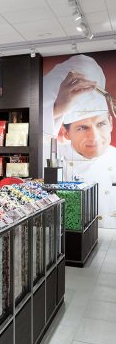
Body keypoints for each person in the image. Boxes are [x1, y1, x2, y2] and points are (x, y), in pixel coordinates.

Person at [43, 54, 116, 227]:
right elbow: (34, 138)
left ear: (111, 123)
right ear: (66, 132)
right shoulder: (54, 155)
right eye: (82, 127)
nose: (95, 137)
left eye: (101, 124)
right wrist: (56, 109)